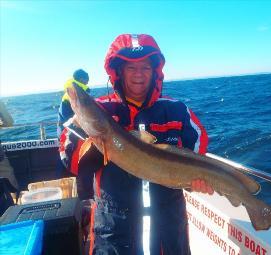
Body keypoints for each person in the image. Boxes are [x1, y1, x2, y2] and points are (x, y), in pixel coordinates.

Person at [59, 34, 213, 255]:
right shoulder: (102, 109)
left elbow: (199, 146)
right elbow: (68, 160)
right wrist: (88, 138)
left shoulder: (176, 109)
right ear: (119, 71)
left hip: (168, 227)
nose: (139, 74)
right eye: (131, 68)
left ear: (155, 72)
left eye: (145, 68)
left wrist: (197, 179)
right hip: (114, 229)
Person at [57, 69, 90, 138]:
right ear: (81, 79)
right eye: (87, 80)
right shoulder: (77, 92)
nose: (87, 83)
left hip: (65, 125)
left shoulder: (70, 90)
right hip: (69, 128)